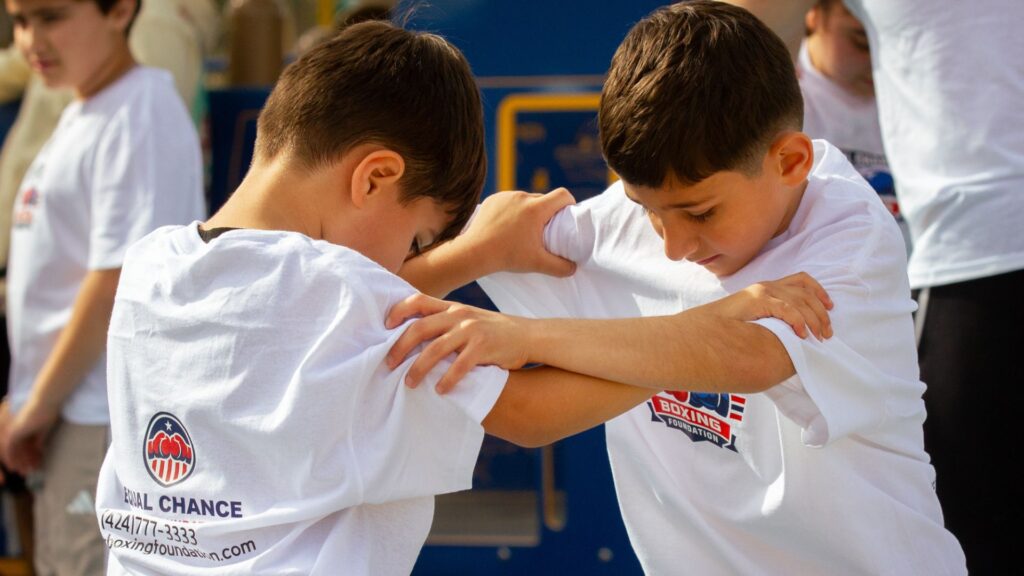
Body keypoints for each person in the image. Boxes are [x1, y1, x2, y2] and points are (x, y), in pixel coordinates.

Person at [92, 20, 833, 575]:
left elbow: (298, 313)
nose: (405, 264)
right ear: (375, 177)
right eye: (415, 238)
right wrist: (700, 325)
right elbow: (529, 414)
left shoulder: (153, 268)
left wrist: (472, 254)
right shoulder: (342, 291)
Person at [390, 3, 965, 573]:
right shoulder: (622, 223)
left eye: (701, 213)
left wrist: (527, 337)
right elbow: (367, 292)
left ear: (790, 161)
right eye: (648, 210)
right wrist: (472, 254)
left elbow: (751, 357)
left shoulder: (848, 237)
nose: (672, 246)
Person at [721, 2, 1024, 572]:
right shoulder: (803, 103)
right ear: (818, 18)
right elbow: (719, 44)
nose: (866, 61)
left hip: (960, 273)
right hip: (946, 277)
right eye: (856, 41)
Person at [0, 0, 206, 572]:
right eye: (19, 21)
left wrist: (35, 406)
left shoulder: (139, 110)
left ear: (120, 10)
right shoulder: (88, 109)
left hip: (101, 420)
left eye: (51, 17)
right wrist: (30, 401)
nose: (31, 40)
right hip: (69, 416)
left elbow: (118, 280)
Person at [797, 0, 908, 250]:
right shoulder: (779, 94)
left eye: (894, 44)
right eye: (862, 42)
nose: (880, 60)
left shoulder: (912, 93)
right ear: (812, 14)